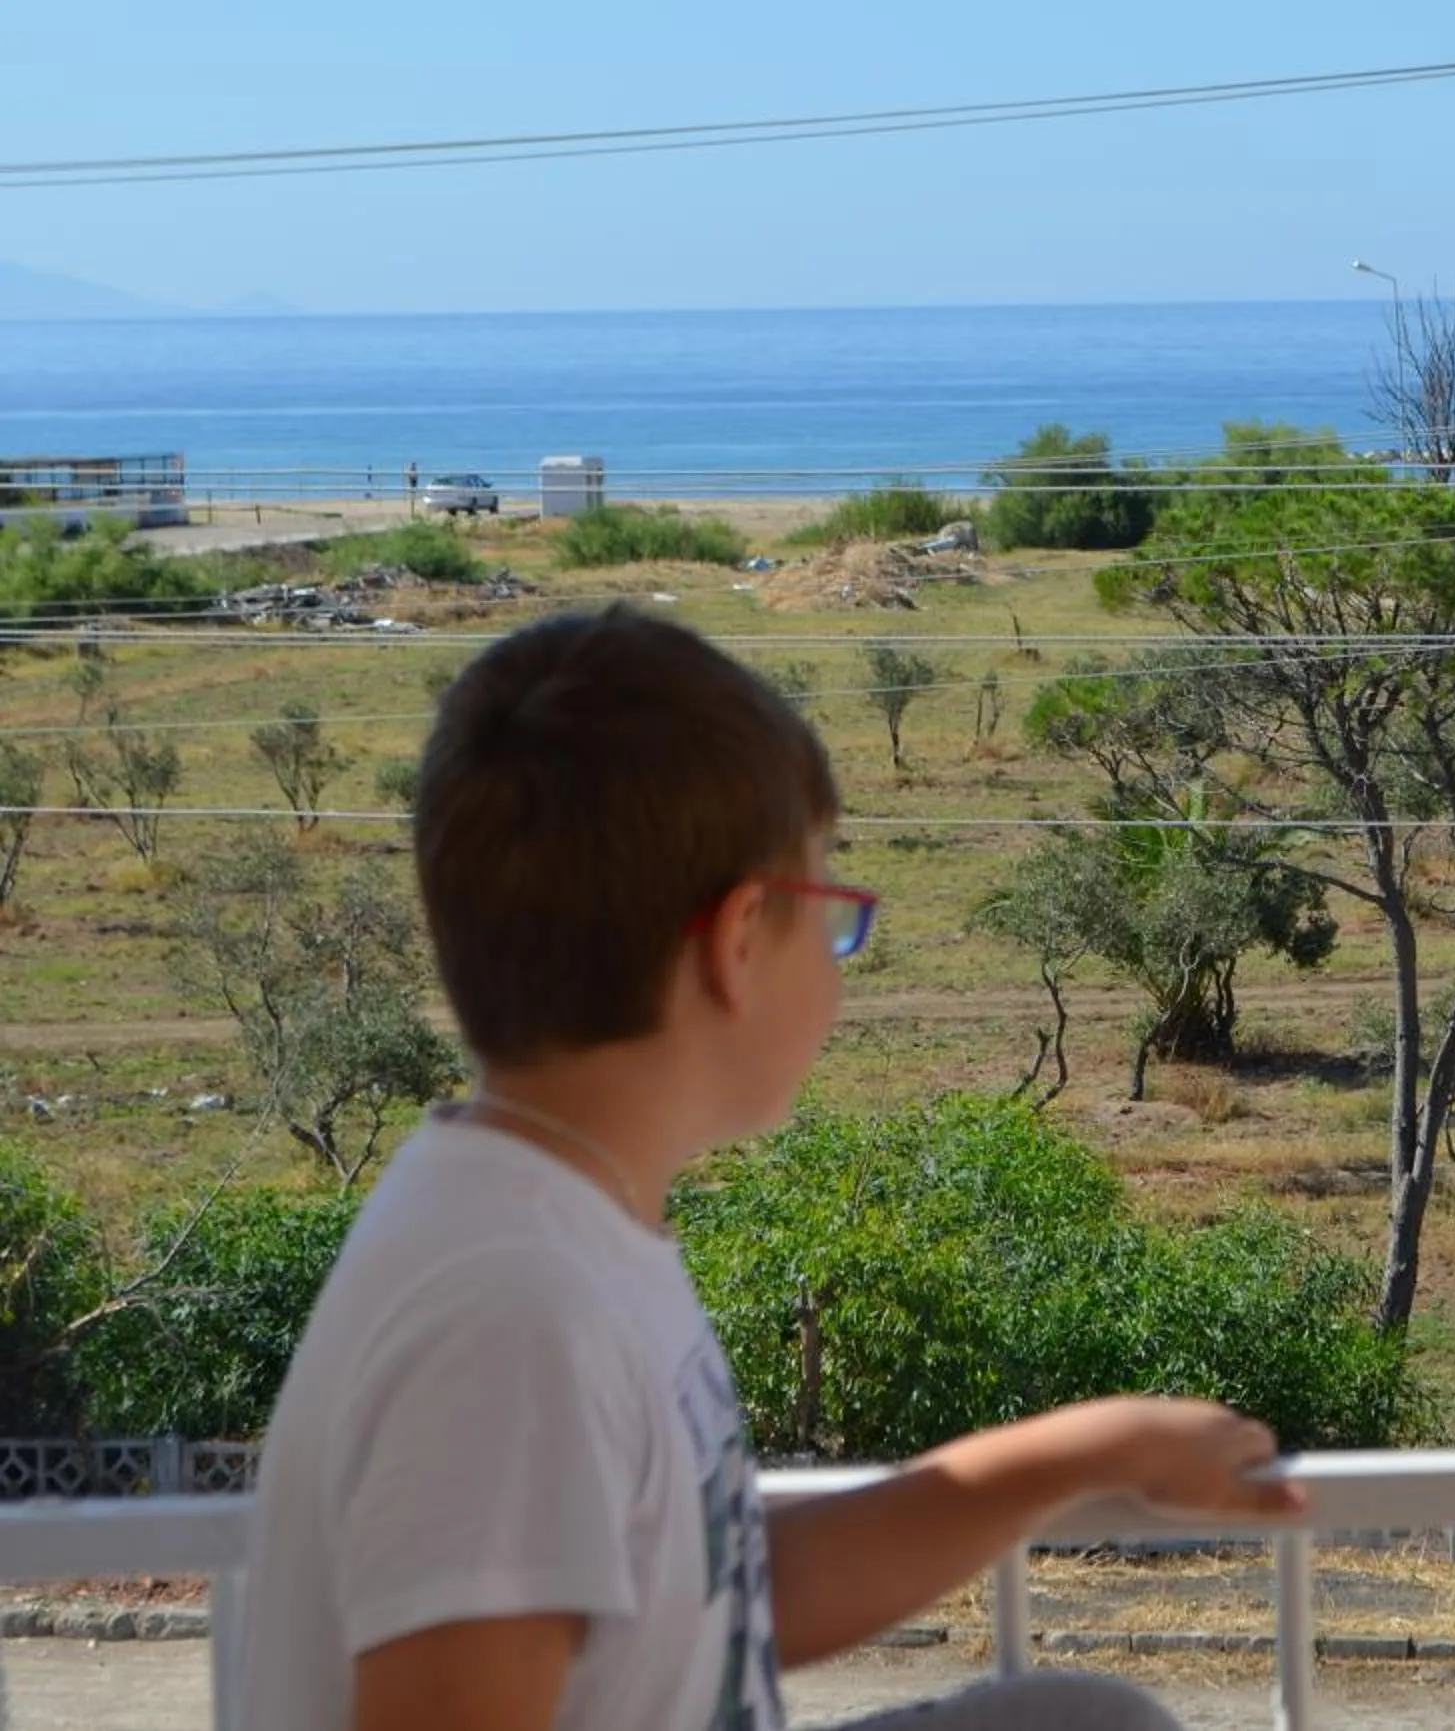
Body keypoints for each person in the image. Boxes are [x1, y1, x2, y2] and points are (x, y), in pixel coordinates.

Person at [240, 605, 1293, 1731]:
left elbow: (715, 1595)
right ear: (739, 941)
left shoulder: (555, 1218)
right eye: (832, 907)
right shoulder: (511, 1314)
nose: (843, 958)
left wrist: (1081, 1452)